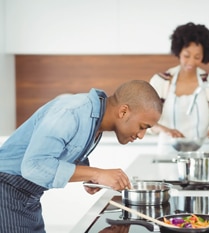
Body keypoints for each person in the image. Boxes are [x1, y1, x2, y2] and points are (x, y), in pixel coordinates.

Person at [0, 80, 162, 233]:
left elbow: (63, 151)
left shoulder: (95, 119)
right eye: (142, 127)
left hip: (28, 198)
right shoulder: (71, 112)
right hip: (6, 191)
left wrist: (88, 174)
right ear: (123, 111)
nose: (141, 135)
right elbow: (33, 166)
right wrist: (96, 173)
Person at [149, 22, 209, 153]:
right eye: (186, 56)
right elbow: (146, 121)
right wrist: (165, 130)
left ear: (204, 55)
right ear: (178, 52)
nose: (191, 62)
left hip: (202, 153)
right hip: (167, 153)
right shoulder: (160, 81)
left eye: (197, 57)